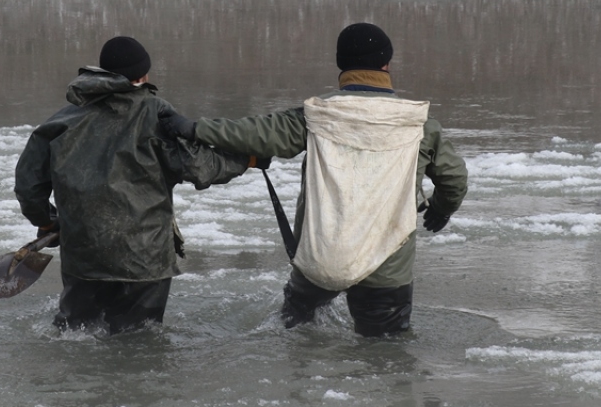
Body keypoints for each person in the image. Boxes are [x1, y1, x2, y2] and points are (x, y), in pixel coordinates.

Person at [160, 22, 467, 337]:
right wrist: (441, 208)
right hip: (388, 267)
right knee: (387, 352)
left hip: (323, 255)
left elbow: (256, 133)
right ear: (386, 65)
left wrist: (196, 128)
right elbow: (454, 178)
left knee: (297, 331)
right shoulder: (419, 125)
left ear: (340, 64)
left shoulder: (317, 117)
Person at [14, 35, 258, 335]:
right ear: (143, 76)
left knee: (75, 334)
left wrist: (46, 222)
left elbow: (28, 186)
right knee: (138, 342)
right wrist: (246, 160)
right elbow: (199, 167)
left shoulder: (61, 121)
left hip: (83, 257)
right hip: (145, 261)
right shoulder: (155, 113)